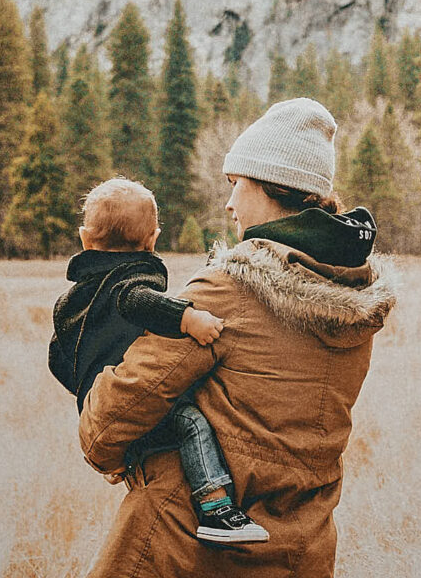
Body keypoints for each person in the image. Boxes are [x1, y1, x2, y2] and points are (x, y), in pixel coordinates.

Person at [71, 96, 394, 578]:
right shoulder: (352, 299)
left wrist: (105, 414)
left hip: (189, 563)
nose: (227, 200)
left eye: (237, 183)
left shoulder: (224, 292)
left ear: (271, 189)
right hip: (293, 560)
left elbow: (108, 423)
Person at [49, 177, 265, 544]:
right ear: (153, 239)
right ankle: (216, 508)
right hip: (133, 403)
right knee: (191, 423)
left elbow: (57, 358)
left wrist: (88, 385)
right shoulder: (127, 282)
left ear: (85, 239)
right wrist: (188, 319)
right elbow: (136, 301)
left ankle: (131, 455)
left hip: (98, 404)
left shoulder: (74, 300)